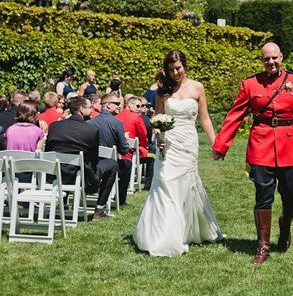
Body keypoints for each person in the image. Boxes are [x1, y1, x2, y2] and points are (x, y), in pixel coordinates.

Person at [212, 42, 293, 265]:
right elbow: (235, 114)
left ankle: (285, 223)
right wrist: (221, 146)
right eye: (266, 59)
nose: (271, 63)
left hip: (291, 145)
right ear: (262, 60)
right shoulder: (250, 84)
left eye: (274, 58)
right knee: (263, 194)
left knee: (292, 195)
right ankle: (263, 246)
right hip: (261, 144)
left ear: (281, 57)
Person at [133, 50, 223, 257]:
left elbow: (205, 118)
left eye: (178, 68)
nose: (175, 73)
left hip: (188, 143)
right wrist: (158, 135)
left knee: (186, 184)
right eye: (172, 69)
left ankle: (188, 229)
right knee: (165, 182)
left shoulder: (197, 87)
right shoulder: (162, 90)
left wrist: (215, 143)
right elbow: (157, 118)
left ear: (185, 66)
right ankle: (162, 235)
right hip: (169, 143)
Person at [45, 96, 119, 219]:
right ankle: (99, 208)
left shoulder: (54, 126)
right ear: (81, 109)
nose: (92, 110)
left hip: (55, 175)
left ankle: (63, 203)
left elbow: (48, 152)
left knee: (69, 165)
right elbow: (93, 159)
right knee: (112, 164)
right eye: (90, 107)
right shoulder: (91, 130)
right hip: (80, 177)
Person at [87, 93, 131, 205]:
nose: (119, 106)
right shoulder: (117, 123)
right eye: (117, 104)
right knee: (127, 164)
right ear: (107, 105)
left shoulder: (89, 122)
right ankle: (121, 200)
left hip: (90, 165)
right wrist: (124, 139)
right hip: (108, 166)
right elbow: (124, 150)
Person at [117, 95, 152, 193]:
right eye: (137, 106)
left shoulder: (117, 115)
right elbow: (143, 134)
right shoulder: (137, 117)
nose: (139, 109)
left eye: (141, 106)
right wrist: (145, 146)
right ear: (129, 105)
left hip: (116, 150)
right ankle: (147, 184)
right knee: (152, 156)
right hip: (130, 151)